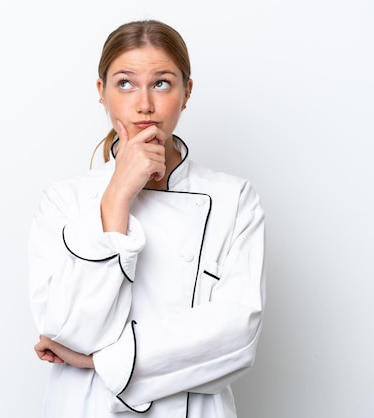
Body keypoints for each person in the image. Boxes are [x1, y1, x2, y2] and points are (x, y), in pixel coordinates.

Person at [28, 19, 266, 418]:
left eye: (161, 83)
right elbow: (68, 329)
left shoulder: (234, 198)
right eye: (125, 83)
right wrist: (118, 194)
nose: (144, 105)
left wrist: (99, 362)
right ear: (101, 93)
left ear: (186, 92)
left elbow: (236, 336)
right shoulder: (63, 200)